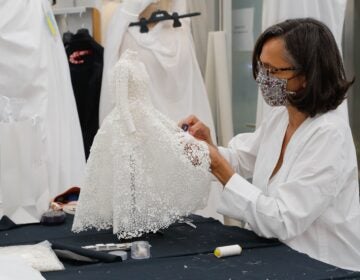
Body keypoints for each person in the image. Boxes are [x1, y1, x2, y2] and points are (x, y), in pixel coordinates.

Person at [180, 18, 360, 271]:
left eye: (273, 71)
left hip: (326, 265)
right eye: (261, 68)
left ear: (307, 75)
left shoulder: (329, 136)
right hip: (281, 256)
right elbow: (243, 159)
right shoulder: (282, 113)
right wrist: (206, 146)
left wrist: (218, 165)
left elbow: (282, 219)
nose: (264, 79)